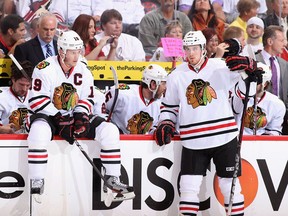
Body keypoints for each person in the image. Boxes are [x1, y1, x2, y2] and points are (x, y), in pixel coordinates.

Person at [153, 30, 260, 215]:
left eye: (195, 48)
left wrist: (249, 70)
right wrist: (166, 123)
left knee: (230, 187)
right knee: (188, 187)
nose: (191, 53)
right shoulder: (176, 75)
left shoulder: (221, 66)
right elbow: (169, 107)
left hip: (225, 137)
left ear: (203, 49)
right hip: (193, 140)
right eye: (187, 49)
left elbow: (247, 94)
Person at [26, 30, 135, 202]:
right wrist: (59, 119)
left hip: (72, 114)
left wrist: (80, 117)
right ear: (61, 51)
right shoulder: (44, 68)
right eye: (72, 51)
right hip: (48, 115)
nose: (77, 56)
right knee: (38, 131)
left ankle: (113, 179)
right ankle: (37, 180)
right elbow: (36, 102)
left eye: (79, 51)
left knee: (109, 130)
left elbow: (87, 98)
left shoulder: (83, 69)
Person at [105, 64, 167, 134]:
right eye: (164, 83)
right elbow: (100, 111)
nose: (166, 88)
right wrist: (112, 128)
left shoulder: (162, 102)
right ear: (153, 84)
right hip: (116, 141)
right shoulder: (122, 94)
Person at [231, 62, 286, 135]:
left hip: (261, 144)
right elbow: (236, 110)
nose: (251, 83)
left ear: (265, 84)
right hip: (236, 141)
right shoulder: (236, 95)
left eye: (255, 81)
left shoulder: (277, 104)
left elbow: (274, 131)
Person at [255, 25, 288, 134]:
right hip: (257, 117)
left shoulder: (284, 64)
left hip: (280, 117)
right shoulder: (253, 61)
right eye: (281, 40)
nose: (285, 44)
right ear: (270, 41)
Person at [0, 60, 33, 134]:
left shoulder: (36, 96)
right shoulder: (1, 95)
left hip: (29, 141)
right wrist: (1, 129)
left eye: (28, 85)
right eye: (21, 84)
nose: (24, 89)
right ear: (13, 80)